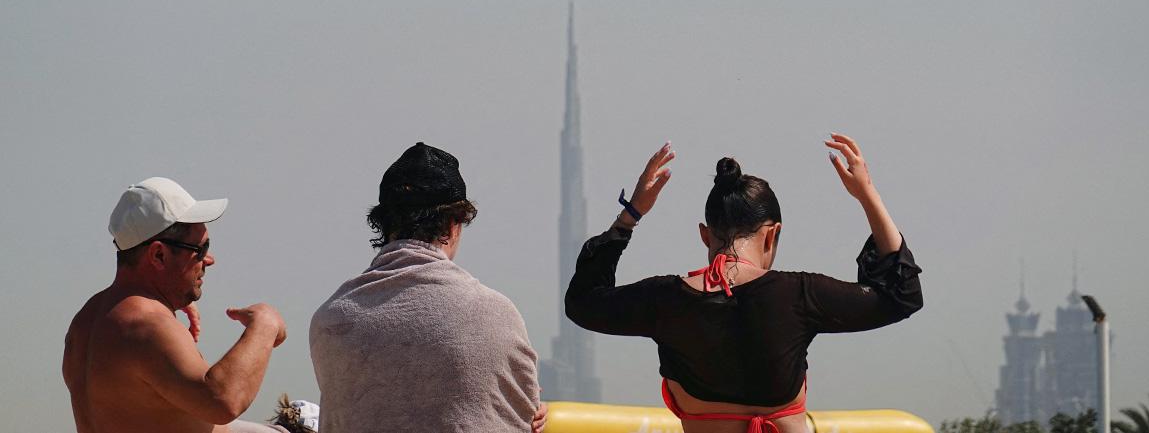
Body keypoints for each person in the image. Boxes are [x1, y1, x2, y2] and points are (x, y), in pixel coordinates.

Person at [565, 134, 923, 433]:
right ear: (772, 234)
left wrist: (630, 215)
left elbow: (583, 302)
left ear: (705, 235)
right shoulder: (801, 295)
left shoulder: (664, 300)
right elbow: (901, 294)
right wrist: (867, 195)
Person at [309, 142, 548, 433]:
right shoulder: (495, 314)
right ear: (453, 224)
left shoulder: (330, 319)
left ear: (384, 223)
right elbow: (525, 415)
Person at [63, 177, 288, 433]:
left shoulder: (87, 320)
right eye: (200, 249)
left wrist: (166, 302)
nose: (209, 260)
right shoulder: (146, 325)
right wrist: (265, 323)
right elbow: (222, 400)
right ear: (159, 255)